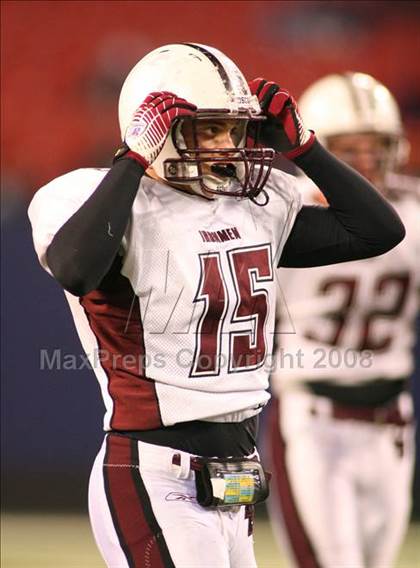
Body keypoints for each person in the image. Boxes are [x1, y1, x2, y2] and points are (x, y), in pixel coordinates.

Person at [28, 44, 405, 568]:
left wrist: (307, 149)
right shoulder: (93, 198)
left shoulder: (255, 205)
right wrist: (133, 160)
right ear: (154, 132)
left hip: (235, 472)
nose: (226, 146)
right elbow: (74, 268)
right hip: (156, 471)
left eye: (231, 129)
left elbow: (378, 231)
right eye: (207, 130)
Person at [265, 72, 419, 568]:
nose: (368, 161)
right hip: (314, 420)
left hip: (391, 423)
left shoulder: (413, 214)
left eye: (376, 147)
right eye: (349, 150)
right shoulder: (281, 214)